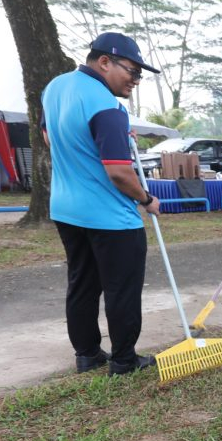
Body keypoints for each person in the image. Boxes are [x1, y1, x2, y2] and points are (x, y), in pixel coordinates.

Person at [42, 32, 162, 376]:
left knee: (82, 283)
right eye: (132, 71)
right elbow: (119, 173)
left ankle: (87, 354)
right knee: (121, 289)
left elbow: (50, 137)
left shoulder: (55, 88)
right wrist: (147, 199)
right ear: (105, 62)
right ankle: (124, 360)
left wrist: (110, 138)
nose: (135, 80)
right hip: (110, 217)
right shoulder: (108, 105)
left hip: (66, 209)